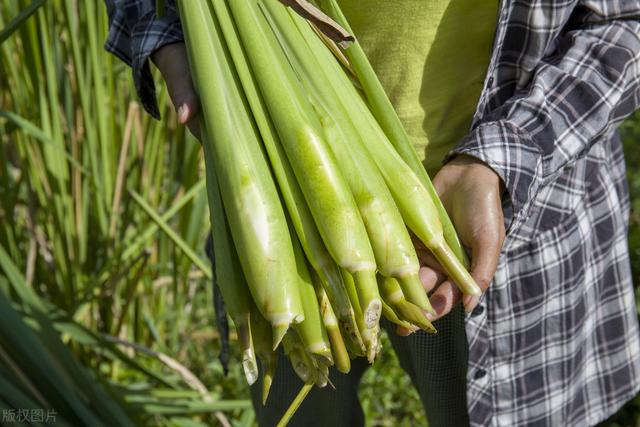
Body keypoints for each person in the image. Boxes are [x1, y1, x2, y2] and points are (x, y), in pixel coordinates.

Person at [105, 1, 640, 426]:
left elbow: (625, 22)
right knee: (302, 391)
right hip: (279, 213)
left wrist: (500, 159)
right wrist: (167, 37)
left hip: (501, 225)